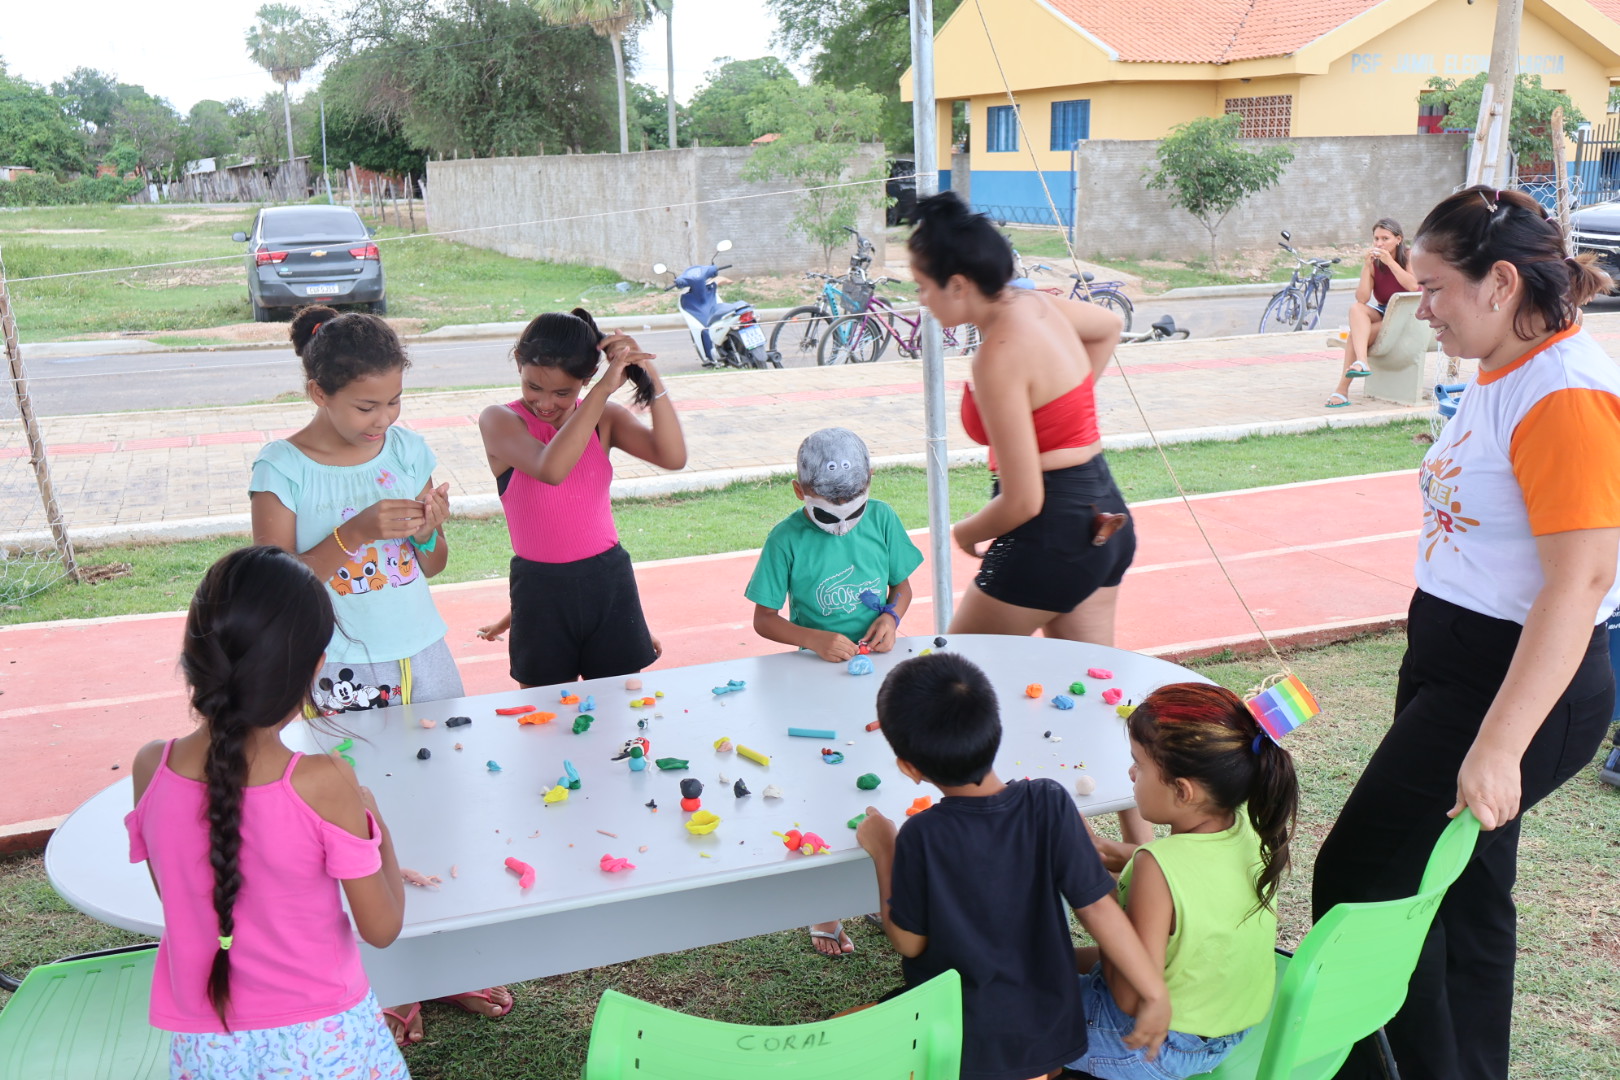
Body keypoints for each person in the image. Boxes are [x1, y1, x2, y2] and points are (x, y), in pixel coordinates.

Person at [1312, 186, 1620, 1080]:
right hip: (1454, 662)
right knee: (1465, 897)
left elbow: (1584, 581)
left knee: (1364, 880)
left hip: (1512, 682)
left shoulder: (1564, 394)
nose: (1421, 309)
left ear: (1501, 284)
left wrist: (1498, 744)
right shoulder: (1504, 369)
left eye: (1437, 288)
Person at [249, 306, 511, 1045]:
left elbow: (431, 565)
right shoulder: (282, 467)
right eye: (367, 405)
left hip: (422, 653)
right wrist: (355, 532)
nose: (383, 419)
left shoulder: (408, 447)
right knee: (362, 819)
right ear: (316, 394)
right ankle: (391, 977)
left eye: (395, 401)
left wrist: (429, 529)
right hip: (337, 667)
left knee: (441, 803)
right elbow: (273, 583)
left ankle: (447, 962)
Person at [908, 191, 1153, 848]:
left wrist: (962, 534)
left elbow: (1022, 503)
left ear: (960, 285)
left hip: (1049, 530)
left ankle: (990, 846)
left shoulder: (997, 354)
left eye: (926, 288)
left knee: (952, 690)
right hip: (1103, 513)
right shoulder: (1035, 301)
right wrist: (1063, 415)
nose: (923, 303)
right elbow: (1106, 327)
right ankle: (1141, 857)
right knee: (1102, 699)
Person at [126, 546, 409, 1079]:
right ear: (315, 669)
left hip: (205, 1049)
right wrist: (379, 831)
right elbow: (383, 926)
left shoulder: (150, 769)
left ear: (195, 658)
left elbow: (183, 900)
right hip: (327, 1043)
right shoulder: (326, 782)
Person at [855, 652, 1170, 1080]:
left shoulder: (921, 835)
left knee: (850, 1027)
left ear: (909, 769)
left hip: (961, 1042)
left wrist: (884, 850)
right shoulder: (1050, 802)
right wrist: (1154, 992)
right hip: (1050, 1035)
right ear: (996, 732)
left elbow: (909, 943)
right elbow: (1099, 909)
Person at [746, 427, 924, 957]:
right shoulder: (786, 539)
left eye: (855, 513)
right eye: (828, 516)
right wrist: (812, 639)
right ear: (800, 493)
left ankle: (876, 886)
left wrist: (892, 617)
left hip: (875, 675)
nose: (844, 529)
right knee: (823, 784)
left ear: (870, 483)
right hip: (812, 678)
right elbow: (762, 619)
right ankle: (823, 909)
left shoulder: (885, 520)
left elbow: (903, 585)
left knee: (879, 779)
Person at [1068, 682, 1298, 1080]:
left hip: (1150, 1046)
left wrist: (1087, 880)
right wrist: (1106, 850)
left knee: (1018, 1003)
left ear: (1183, 791)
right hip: (1225, 1028)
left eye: (1138, 764)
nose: (1130, 772)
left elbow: (1128, 996)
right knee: (1054, 961)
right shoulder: (1247, 824)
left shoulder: (1157, 867)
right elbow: (1190, 881)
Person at [478, 308, 686, 688]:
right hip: (540, 588)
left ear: (585, 378)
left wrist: (647, 372)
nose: (545, 403)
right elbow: (551, 468)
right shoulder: (500, 420)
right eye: (533, 387)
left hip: (607, 580)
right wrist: (601, 390)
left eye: (563, 392)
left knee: (619, 706)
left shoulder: (604, 418)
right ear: (518, 365)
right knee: (545, 711)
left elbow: (673, 457)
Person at [1326, 218, 1420, 408]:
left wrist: (1391, 263)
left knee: (1355, 337)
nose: (1379, 244)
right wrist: (1367, 267)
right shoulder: (1374, 263)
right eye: (1376, 239)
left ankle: (1342, 390)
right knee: (1356, 309)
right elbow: (1362, 298)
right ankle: (1361, 362)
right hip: (1385, 311)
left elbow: (1413, 287)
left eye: (1385, 238)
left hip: (1409, 313)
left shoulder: (1409, 256)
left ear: (1398, 239)